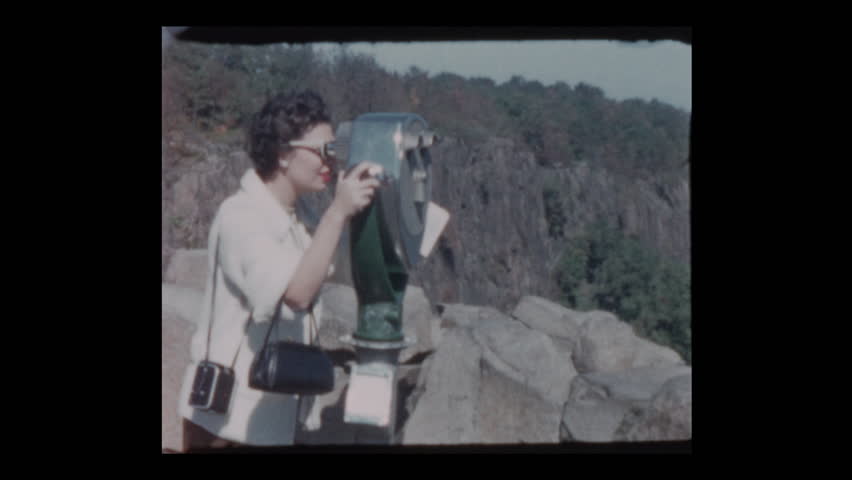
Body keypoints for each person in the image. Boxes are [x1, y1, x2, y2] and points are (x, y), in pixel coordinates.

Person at [176, 90, 381, 450]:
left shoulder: (298, 220)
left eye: (334, 151)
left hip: (271, 420)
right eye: (323, 151)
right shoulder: (239, 216)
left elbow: (329, 273)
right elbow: (296, 293)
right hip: (225, 424)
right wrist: (337, 213)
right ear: (284, 153)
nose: (330, 162)